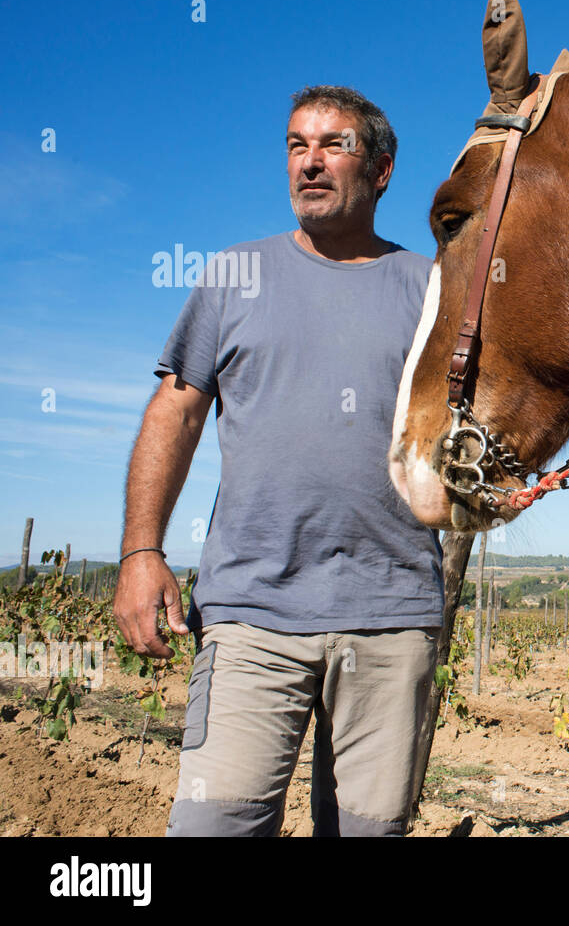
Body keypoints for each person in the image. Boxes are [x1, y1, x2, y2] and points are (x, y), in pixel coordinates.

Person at [113, 85, 444, 836]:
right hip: (252, 614)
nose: (310, 162)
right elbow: (177, 410)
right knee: (212, 827)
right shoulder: (234, 275)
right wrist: (141, 550)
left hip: (390, 620)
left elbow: (477, 424)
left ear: (383, 168)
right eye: (297, 145)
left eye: (334, 144)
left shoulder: (433, 290)